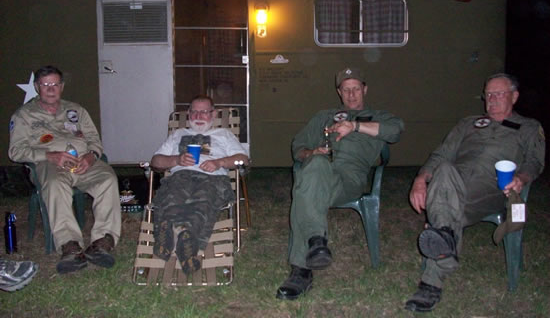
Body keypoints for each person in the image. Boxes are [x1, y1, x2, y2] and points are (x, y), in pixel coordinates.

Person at [405, 73, 545, 312]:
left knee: (445, 206)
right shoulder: (468, 123)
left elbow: (535, 161)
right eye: (488, 94)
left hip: (493, 188)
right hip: (454, 182)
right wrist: (420, 180)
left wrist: (521, 179)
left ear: (514, 97)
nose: (492, 99)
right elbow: (441, 155)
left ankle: (432, 279)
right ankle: (445, 247)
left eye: (499, 94)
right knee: (445, 170)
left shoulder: (529, 127)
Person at [276, 67, 404, 300]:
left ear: (365, 89)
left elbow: (396, 131)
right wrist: (311, 152)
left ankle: (301, 269)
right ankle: (316, 243)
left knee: (304, 189)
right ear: (339, 92)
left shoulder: (378, 117)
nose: (351, 94)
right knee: (314, 167)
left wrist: (354, 126)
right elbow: (298, 147)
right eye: (346, 90)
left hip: (349, 179)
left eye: (356, 89)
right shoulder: (324, 116)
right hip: (319, 173)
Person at [9, 66, 121, 275]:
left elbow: (95, 141)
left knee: (107, 178)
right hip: (49, 164)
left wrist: (91, 156)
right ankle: (70, 245)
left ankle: (103, 241)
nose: (51, 89)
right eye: (45, 85)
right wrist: (49, 155)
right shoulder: (24, 115)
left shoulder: (77, 111)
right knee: (55, 184)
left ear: (62, 86)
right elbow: (15, 151)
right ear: (37, 87)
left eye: (55, 84)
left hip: (82, 161)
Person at [150, 95, 249, 274]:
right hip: (180, 177)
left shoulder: (223, 134)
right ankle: (179, 240)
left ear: (213, 114)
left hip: (212, 179)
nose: (198, 116)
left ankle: (179, 237)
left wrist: (219, 162)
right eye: (194, 112)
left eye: (204, 112)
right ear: (188, 114)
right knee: (171, 198)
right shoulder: (178, 134)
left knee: (202, 204)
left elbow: (243, 159)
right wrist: (176, 160)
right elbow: (156, 161)